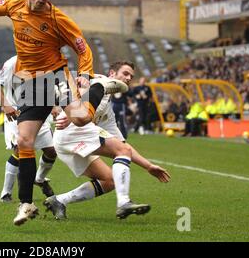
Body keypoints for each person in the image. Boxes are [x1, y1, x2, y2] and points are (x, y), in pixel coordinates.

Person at [0, 0, 127, 226]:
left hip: (56, 75)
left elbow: (82, 46)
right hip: (33, 83)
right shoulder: (15, 5)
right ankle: (26, 204)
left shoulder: (58, 19)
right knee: (24, 140)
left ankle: (101, 86)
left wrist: (86, 77)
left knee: (79, 118)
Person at [45, 61, 171, 220]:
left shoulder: (107, 111)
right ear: (112, 74)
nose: (128, 78)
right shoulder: (100, 80)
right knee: (121, 152)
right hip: (71, 131)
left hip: (65, 139)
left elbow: (123, 145)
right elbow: (73, 88)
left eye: (131, 76)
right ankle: (124, 202)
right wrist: (69, 114)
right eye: (125, 73)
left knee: (109, 180)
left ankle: (59, 201)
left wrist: (148, 166)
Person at [0, 55, 58, 203]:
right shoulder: (12, 63)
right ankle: (6, 193)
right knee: (20, 151)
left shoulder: (44, 59)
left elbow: (47, 86)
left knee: (52, 150)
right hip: (17, 112)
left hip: (39, 110)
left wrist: (52, 105)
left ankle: (39, 179)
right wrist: (6, 105)